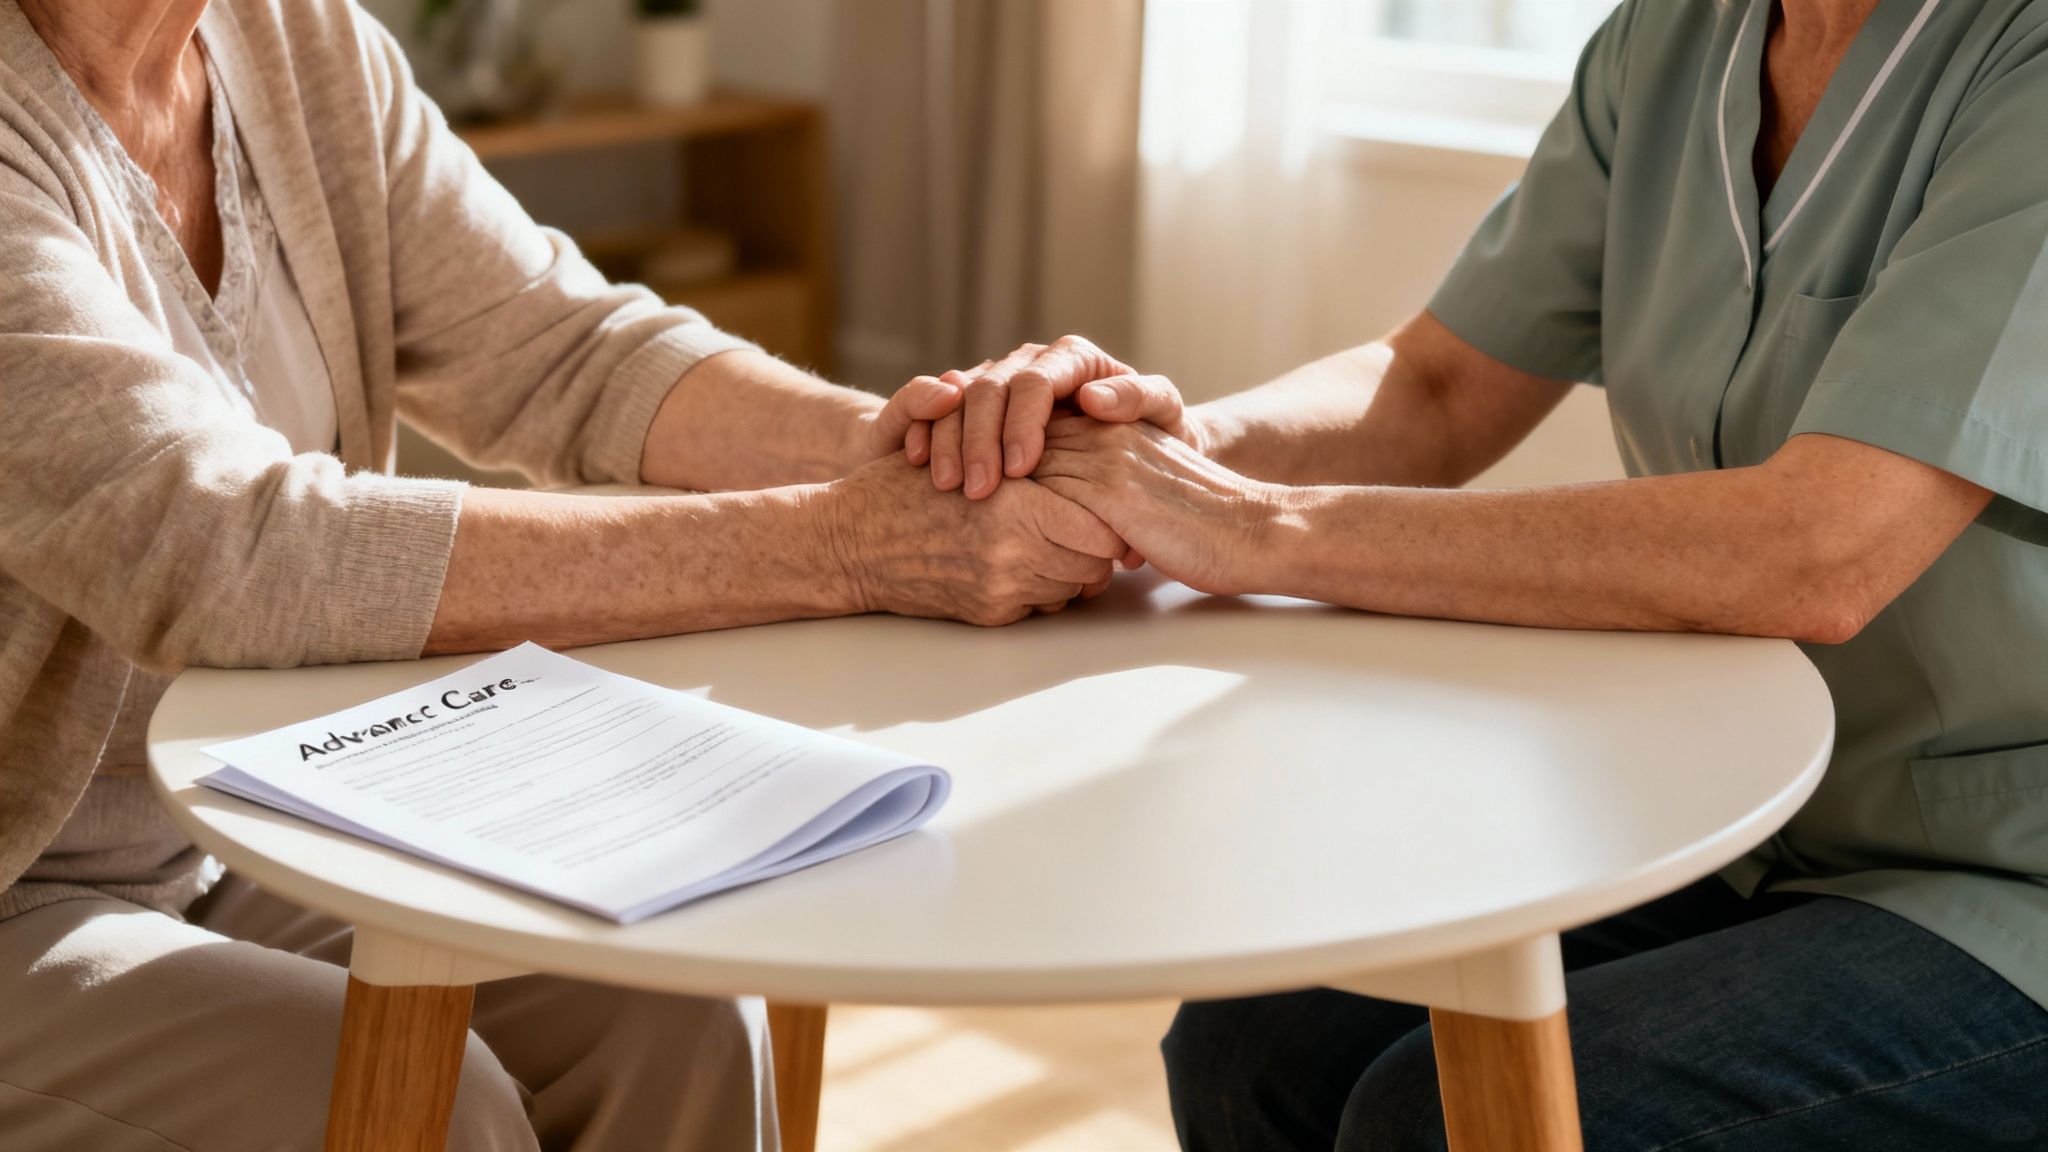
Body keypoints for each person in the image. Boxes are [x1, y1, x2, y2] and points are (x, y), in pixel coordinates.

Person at [896, 0, 2048, 1146]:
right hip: (1741, 811)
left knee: (1431, 1121)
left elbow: (1816, 551)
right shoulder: (1675, 39)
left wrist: (1251, 525)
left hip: (2002, 875)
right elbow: (1434, 387)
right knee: (1252, 1043)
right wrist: (1146, 448)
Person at [0, 0, 1150, 1147]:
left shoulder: (294, 39)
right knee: (431, 1108)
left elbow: (560, 348)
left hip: (239, 814)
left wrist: (936, 448)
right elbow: (227, 551)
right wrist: (848, 545)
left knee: (680, 1009)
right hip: (22, 893)